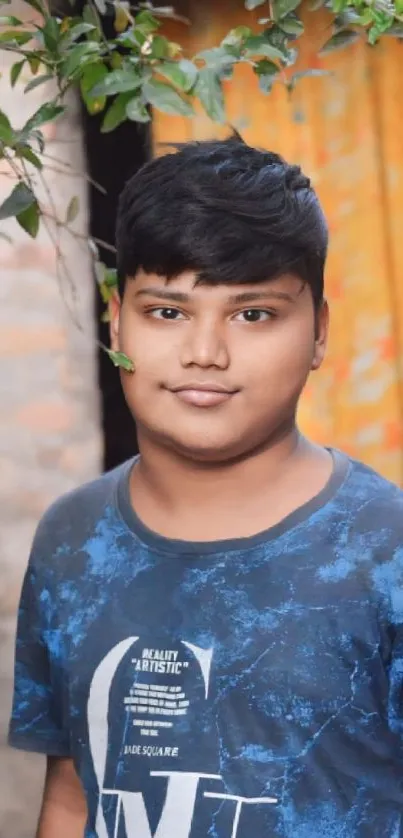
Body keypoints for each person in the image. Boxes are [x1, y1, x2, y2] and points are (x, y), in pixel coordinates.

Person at [8, 136, 403, 838]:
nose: (204, 353)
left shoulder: (386, 549)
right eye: (167, 311)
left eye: (253, 314)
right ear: (115, 317)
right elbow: (73, 796)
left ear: (318, 332)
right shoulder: (73, 536)